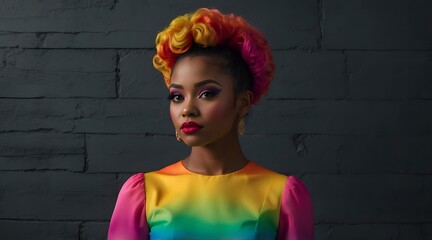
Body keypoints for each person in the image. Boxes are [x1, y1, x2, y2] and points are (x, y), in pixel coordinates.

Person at [107, 8, 314, 240]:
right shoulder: (145, 192)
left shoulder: (282, 195)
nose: (187, 109)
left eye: (207, 93)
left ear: (242, 102)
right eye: (177, 97)